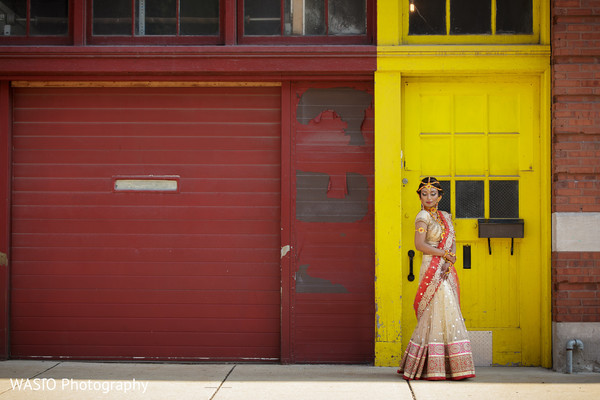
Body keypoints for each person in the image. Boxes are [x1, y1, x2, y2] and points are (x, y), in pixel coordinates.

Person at [397, 177, 475, 380]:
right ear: (419, 196)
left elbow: (453, 241)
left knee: (446, 309)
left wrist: (450, 259)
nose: (428, 197)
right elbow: (420, 245)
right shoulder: (423, 217)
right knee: (434, 309)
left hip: (445, 267)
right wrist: (443, 255)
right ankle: (430, 366)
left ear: (440, 196)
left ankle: (450, 366)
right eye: (424, 194)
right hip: (431, 266)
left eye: (433, 194)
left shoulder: (445, 216)